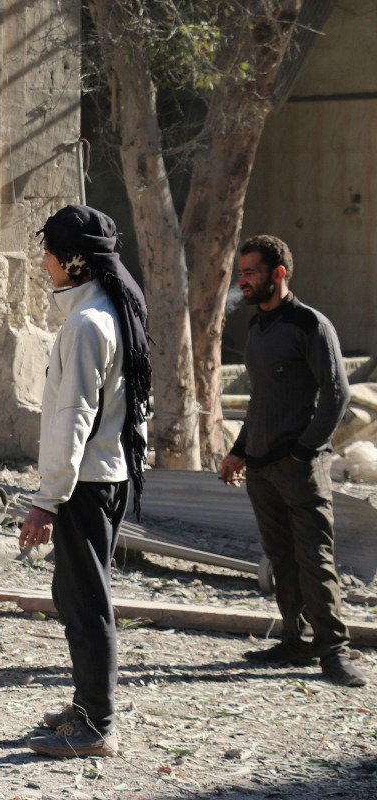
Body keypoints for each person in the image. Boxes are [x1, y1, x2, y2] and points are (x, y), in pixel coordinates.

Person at [17, 204, 152, 759]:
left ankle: (97, 726)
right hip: (103, 477)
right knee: (75, 597)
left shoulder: (87, 323)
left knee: (87, 603)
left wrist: (47, 501)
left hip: (85, 485)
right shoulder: (109, 313)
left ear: (73, 260)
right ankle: (86, 706)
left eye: (48, 251)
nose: (43, 261)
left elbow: (73, 417)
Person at [218, 235, 367, 687]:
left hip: (300, 467)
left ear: (278, 275)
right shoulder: (257, 329)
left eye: (251, 273)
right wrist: (240, 451)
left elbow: (337, 392)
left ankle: (334, 653)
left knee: (314, 561)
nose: (242, 281)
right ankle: (295, 641)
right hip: (261, 468)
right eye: (240, 273)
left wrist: (305, 449)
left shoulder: (310, 325)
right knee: (281, 559)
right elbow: (263, 400)